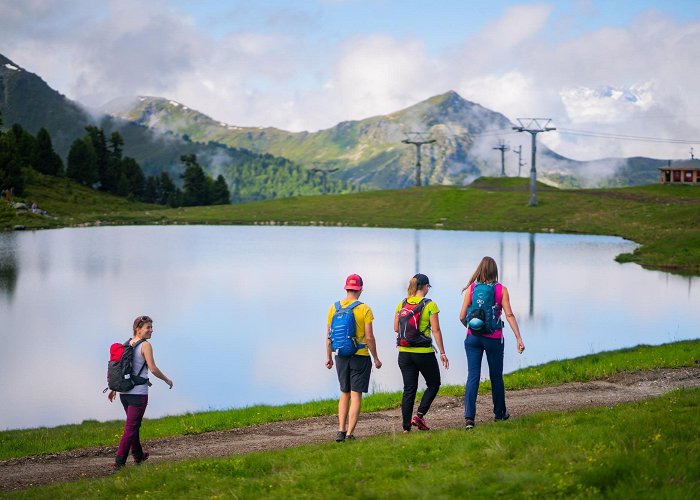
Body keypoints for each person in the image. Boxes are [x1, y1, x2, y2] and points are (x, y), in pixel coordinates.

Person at [459, 256, 524, 430]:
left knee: (473, 376)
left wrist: (473, 329)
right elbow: (509, 315)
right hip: (494, 339)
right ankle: (500, 414)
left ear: (479, 270)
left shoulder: (472, 289)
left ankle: (469, 419)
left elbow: (461, 316)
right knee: (496, 376)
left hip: (472, 338)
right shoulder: (501, 290)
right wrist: (518, 338)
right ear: (495, 271)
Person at [107, 315, 173, 472]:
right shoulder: (146, 346)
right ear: (138, 329)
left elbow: (122, 369)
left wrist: (114, 389)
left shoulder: (127, 343)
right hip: (138, 394)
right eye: (148, 327)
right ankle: (119, 464)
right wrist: (166, 380)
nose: (151, 330)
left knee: (133, 426)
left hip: (125, 393)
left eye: (151, 327)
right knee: (131, 428)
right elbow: (153, 368)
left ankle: (138, 455)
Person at [325, 274, 382, 442]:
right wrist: (376, 358)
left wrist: (328, 356)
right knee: (356, 395)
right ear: (361, 289)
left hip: (341, 355)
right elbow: (369, 337)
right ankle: (350, 434)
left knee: (344, 393)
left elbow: (329, 336)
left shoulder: (334, 307)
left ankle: (340, 431)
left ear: (346, 288)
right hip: (360, 356)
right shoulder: (364, 309)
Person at [393, 273, 449, 432]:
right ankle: (419, 415)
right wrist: (443, 353)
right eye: (428, 287)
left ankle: (405, 428)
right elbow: (436, 330)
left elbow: (396, 328)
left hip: (404, 353)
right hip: (423, 353)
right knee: (434, 383)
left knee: (409, 389)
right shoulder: (430, 305)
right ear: (425, 287)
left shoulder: (402, 303)